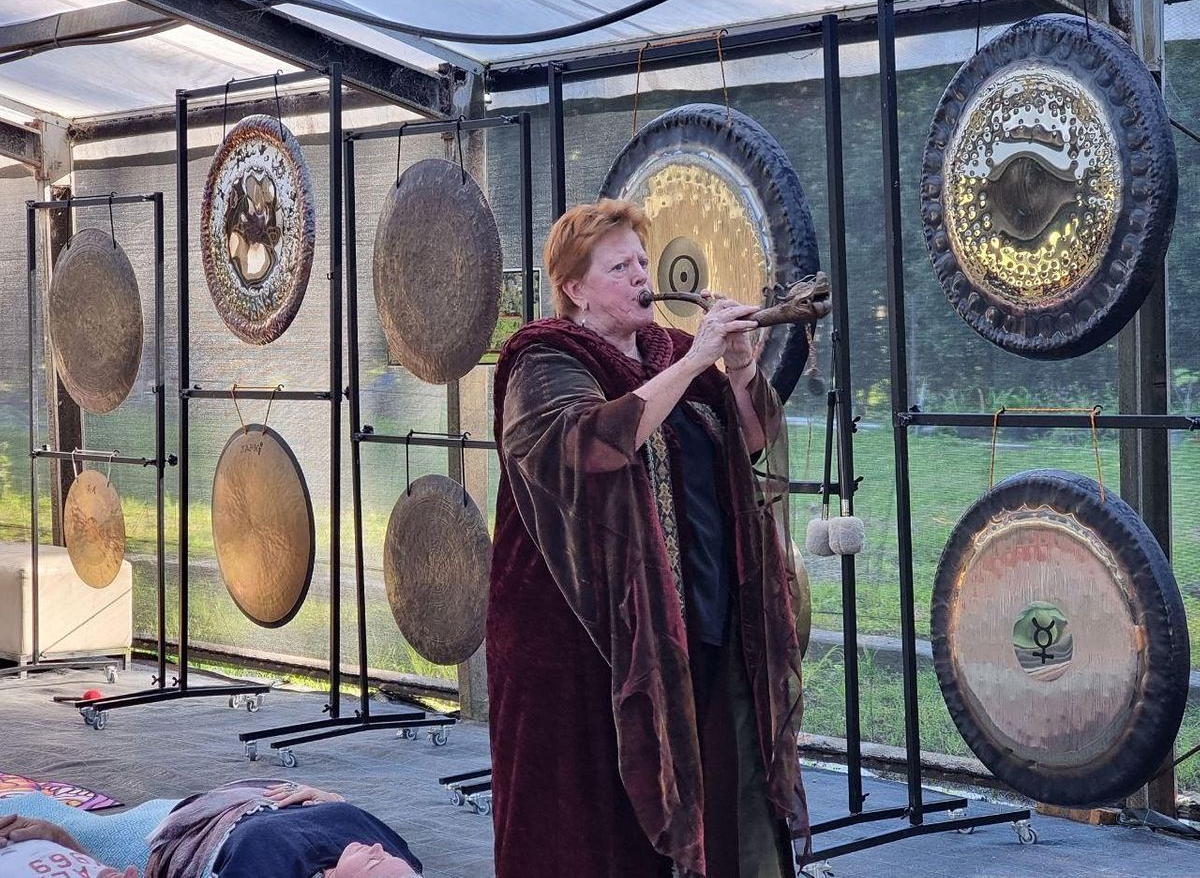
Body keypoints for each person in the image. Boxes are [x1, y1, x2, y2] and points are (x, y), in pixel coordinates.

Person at [487, 199, 819, 877]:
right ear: (575, 288)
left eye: (642, 259)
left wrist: (737, 363)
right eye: (620, 266)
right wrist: (696, 360)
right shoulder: (546, 358)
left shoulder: (669, 350)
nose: (642, 274)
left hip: (696, 612)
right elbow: (590, 444)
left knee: (717, 788)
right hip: (585, 637)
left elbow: (750, 441)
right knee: (598, 820)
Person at [0, 781, 420, 878]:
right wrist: (327, 796)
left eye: (377, 865)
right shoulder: (393, 856)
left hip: (175, 836)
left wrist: (61, 839)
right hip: (235, 800)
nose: (380, 850)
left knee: (43, 819)